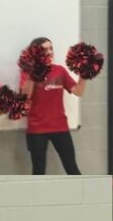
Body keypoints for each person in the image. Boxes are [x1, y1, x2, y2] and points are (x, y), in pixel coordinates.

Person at [20, 37, 88, 174]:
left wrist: (84, 74)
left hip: (60, 126)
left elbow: (78, 91)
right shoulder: (28, 73)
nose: (50, 52)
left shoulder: (59, 71)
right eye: (45, 50)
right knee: (39, 170)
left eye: (51, 48)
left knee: (71, 167)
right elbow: (25, 97)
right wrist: (34, 72)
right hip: (37, 128)